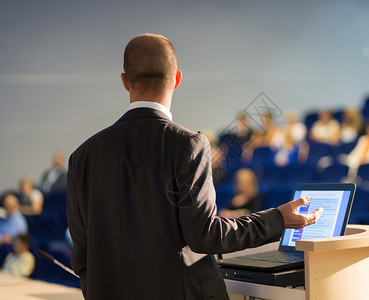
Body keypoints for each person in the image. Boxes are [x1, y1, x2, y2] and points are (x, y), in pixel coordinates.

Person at [67, 34, 323, 300]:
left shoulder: (82, 156)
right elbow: (205, 236)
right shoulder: (188, 145)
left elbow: (82, 253)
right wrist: (279, 219)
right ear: (177, 79)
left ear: (124, 81)